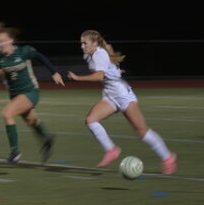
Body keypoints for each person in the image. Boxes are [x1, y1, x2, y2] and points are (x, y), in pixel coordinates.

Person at [67, 30, 177, 175]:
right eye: (81, 43)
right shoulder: (89, 55)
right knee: (91, 120)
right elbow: (109, 57)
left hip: (123, 95)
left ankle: (168, 157)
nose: (82, 46)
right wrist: (116, 70)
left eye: (84, 43)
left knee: (142, 132)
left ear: (94, 43)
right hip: (110, 96)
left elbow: (99, 76)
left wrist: (78, 78)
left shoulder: (100, 54)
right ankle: (111, 150)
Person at [0, 27, 65, 164]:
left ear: (11, 40)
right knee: (31, 121)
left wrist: (54, 72)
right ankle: (47, 139)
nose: (1, 44)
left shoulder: (24, 51)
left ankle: (15, 153)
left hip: (31, 91)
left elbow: (41, 57)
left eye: (3, 40)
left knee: (7, 114)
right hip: (15, 95)